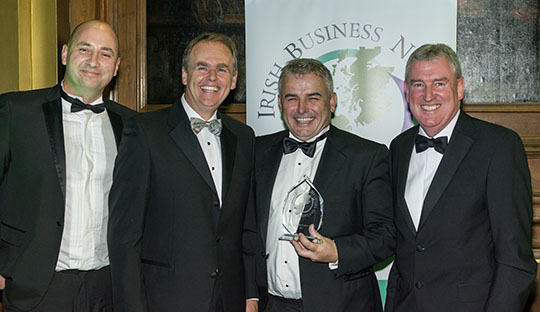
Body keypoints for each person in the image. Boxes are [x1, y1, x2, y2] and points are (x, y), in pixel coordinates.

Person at [108, 33, 258, 312]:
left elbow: (247, 226)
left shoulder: (244, 137)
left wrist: (251, 294)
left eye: (222, 69)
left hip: (230, 298)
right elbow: (124, 235)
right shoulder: (145, 131)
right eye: (202, 67)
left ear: (234, 80)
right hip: (165, 299)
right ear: (185, 75)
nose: (212, 77)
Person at [385, 43, 537, 311]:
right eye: (419, 84)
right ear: (407, 92)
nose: (428, 95)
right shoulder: (398, 147)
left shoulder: (499, 147)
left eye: (439, 83)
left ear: (459, 88)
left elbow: (516, 261)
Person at [0, 20, 135, 311]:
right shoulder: (15, 112)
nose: (93, 61)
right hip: (36, 286)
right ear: (64, 54)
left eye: (105, 53)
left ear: (116, 66)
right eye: (84, 49)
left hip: (108, 288)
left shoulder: (133, 125)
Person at [252, 58, 395, 312]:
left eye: (313, 98)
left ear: (332, 101)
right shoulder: (256, 152)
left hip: (340, 305)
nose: (302, 108)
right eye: (292, 98)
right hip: (268, 305)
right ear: (280, 103)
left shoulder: (366, 156)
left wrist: (337, 251)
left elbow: (385, 236)